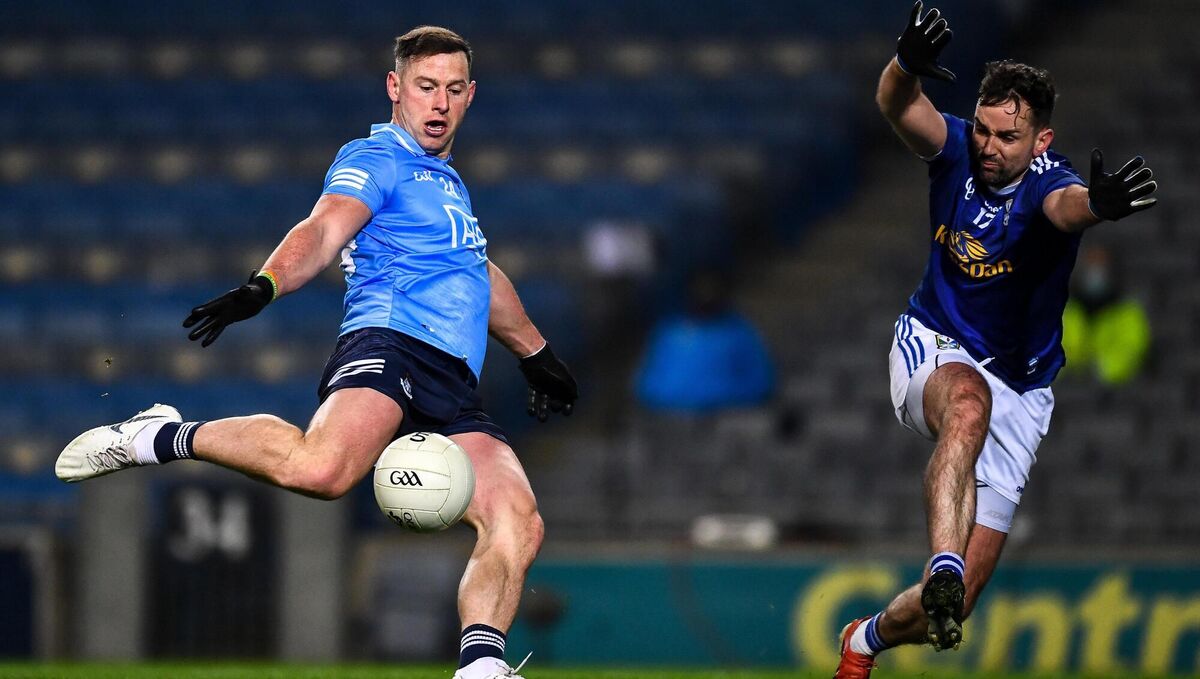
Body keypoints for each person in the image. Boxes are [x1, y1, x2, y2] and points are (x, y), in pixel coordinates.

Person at [55, 26, 577, 679]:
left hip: (454, 381)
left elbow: (476, 272)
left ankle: (480, 668)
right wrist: (264, 284)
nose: (437, 103)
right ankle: (164, 434)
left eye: (451, 89)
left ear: (470, 95)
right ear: (395, 88)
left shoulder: (446, 184)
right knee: (323, 471)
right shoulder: (378, 155)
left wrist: (535, 352)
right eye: (424, 87)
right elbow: (325, 226)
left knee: (518, 519)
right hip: (392, 344)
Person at [834, 3, 1158, 677]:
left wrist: (1099, 206)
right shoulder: (954, 149)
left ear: (1040, 141)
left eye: (1006, 136)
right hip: (933, 341)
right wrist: (904, 66)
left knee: (952, 608)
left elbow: (1067, 209)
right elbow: (896, 105)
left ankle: (863, 640)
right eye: (983, 128)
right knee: (968, 404)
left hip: (1025, 388)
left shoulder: (1052, 184)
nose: (987, 146)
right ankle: (943, 559)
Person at [634, 270, 774, 413]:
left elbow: (761, 383)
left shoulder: (740, 333)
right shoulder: (669, 331)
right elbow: (645, 384)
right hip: (667, 416)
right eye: (700, 290)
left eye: (711, 290)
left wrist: (718, 397)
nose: (706, 295)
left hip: (728, 416)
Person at [1061, 245, 1151, 385]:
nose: (1095, 272)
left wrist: (1100, 371)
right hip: (1067, 394)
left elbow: (1131, 350)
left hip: (1117, 393)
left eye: (1100, 266)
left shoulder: (1128, 313)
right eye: (1091, 264)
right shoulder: (1063, 311)